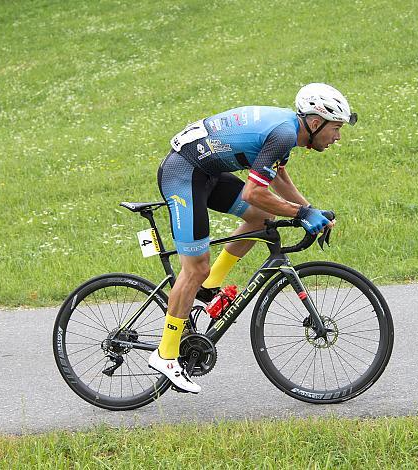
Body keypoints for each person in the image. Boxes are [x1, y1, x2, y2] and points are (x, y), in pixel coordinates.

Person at [148, 83, 357, 393]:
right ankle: (165, 355)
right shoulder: (284, 133)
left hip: (207, 172)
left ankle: (207, 290)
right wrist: (300, 215)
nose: (337, 137)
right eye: (336, 128)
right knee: (195, 268)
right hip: (184, 173)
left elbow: (279, 179)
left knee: (261, 218)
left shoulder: (288, 132)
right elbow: (254, 192)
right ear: (316, 123)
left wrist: (310, 209)